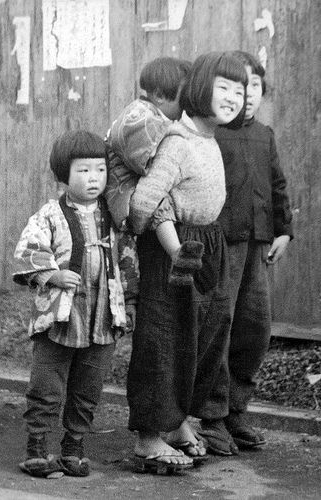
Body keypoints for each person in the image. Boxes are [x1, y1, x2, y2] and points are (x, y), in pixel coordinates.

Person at [125, 52, 248, 473]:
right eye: (224, 88)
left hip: (207, 244)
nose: (234, 97)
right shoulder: (177, 141)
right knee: (164, 339)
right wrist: (170, 230)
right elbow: (142, 204)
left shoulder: (207, 138)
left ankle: (175, 423)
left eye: (239, 89)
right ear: (198, 89)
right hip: (174, 249)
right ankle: (148, 437)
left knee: (202, 335)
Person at [13, 130, 138, 478]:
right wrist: (53, 275)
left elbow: (127, 259)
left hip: (102, 316)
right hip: (61, 318)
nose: (93, 178)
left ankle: (73, 448)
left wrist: (128, 302)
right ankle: (37, 448)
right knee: (47, 385)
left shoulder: (114, 216)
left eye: (99, 170)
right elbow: (28, 249)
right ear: (63, 174)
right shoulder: (50, 214)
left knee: (88, 387)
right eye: (83, 171)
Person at [199, 50, 293, 455]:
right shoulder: (212, 135)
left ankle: (236, 411)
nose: (247, 95)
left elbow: (278, 185)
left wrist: (284, 231)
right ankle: (212, 417)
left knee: (254, 329)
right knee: (220, 326)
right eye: (239, 87)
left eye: (254, 86)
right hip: (222, 247)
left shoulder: (265, 134)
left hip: (258, 247)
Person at [105, 57, 204, 286]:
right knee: (160, 204)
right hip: (123, 189)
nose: (188, 104)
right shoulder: (140, 116)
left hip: (129, 186)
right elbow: (141, 153)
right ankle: (176, 253)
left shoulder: (152, 115)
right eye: (185, 96)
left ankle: (176, 255)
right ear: (160, 95)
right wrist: (174, 134)